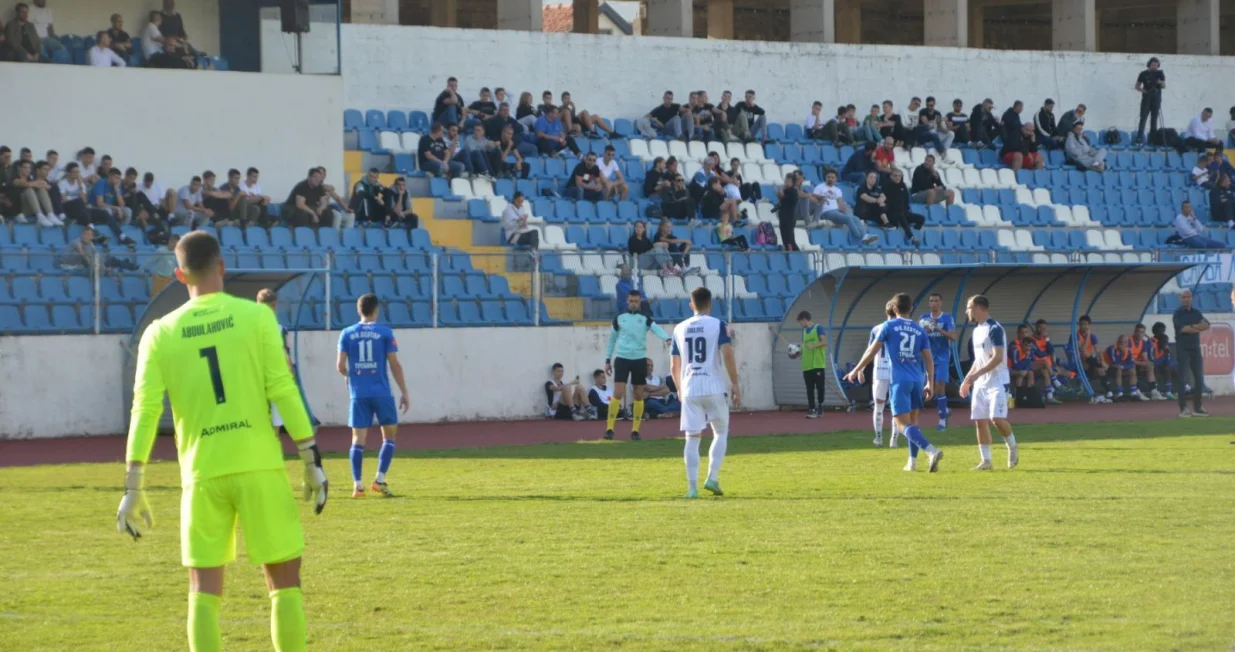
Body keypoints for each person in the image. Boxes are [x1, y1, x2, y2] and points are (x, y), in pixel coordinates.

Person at [118, 231, 327, 652]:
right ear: (223, 266)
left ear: (179, 275)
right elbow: (283, 389)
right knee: (284, 581)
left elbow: (144, 410)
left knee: (204, 587)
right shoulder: (257, 317)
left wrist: (133, 485)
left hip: (201, 472)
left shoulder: (160, 333)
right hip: (259, 466)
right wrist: (310, 458)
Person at [845, 292, 945, 472]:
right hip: (917, 378)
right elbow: (929, 359)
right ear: (912, 308)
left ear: (894, 308)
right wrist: (930, 382)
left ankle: (931, 450)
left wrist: (856, 369)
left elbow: (871, 352)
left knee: (900, 424)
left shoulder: (888, 326)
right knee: (913, 422)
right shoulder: (919, 329)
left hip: (900, 380)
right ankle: (912, 463)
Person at [336, 293, 410, 498]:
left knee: (357, 440)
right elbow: (395, 365)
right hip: (382, 392)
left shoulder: (346, 333)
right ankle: (379, 479)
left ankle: (357, 485)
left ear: (359, 310)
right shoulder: (385, 332)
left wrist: (349, 376)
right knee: (389, 437)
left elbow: (340, 366)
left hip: (359, 394)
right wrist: (404, 391)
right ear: (376, 310)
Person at [671, 286, 740, 498]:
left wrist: (679, 389)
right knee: (720, 432)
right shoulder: (718, 325)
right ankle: (712, 477)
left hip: (690, 387)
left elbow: (674, 366)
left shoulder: (679, 328)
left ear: (691, 304)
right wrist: (735, 383)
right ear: (710, 304)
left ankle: (691, 489)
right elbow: (727, 354)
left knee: (692, 439)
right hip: (713, 386)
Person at [958, 294, 1019, 470]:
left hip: (998, 381)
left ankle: (1013, 446)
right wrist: (967, 380)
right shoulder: (977, 330)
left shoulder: (995, 329)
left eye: (969, 307)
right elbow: (979, 360)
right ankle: (986, 461)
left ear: (979, 308)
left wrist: (977, 375)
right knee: (979, 420)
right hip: (981, 382)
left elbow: (998, 357)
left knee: (997, 419)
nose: (967, 311)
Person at [604, 290, 672, 441]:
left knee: (639, 395)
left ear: (639, 302)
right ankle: (609, 428)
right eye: (631, 301)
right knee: (618, 393)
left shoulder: (645, 318)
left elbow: (656, 329)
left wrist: (666, 338)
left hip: (639, 359)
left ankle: (635, 430)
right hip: (622, 358)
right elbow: (612, 340)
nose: (633, 304)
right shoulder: (619, 318)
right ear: (627, 301)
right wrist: (607, 360)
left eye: (636, 301)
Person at [919, 293, 957, 430]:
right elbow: (919, 336)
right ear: (929, 304)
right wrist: (926, 331)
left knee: (940, 386)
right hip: (927, 357)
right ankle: (945, 410)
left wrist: (938, 329)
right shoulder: (923, 318)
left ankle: (941, 420)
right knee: (930, 391)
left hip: (942, 357)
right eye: (931, 301)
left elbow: (953, 336)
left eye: (936, 301)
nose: (934, 303)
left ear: (941, 303)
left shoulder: (947, 318)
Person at [1172, 289, 1209, 418]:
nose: (1186, 299)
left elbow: (1207, 325)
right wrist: (1197, 327)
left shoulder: (1196, 312)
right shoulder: (1178, 314)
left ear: (1192, 298)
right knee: (1182, 378)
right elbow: (1183, 329)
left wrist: (1192, 327)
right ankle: (1183, 408)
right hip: (1183, 348)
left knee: (1199, 377)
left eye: (1188, 297)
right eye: (1184, 297)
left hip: (1195, 348)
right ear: (1180, 299)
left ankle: (1198, 407)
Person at [869, 304, 899, 447]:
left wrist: (860, 370)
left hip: (880, 370)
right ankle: (894, 439)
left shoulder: (876, 328)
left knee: (878, 406)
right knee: (895, 406)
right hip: (896, 370)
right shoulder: (901, 327)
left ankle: (879, 437)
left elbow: (870, 351)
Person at [792, 311, 829, 420]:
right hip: (807, 365)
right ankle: (812, 408)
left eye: (800, 322)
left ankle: (820, 405)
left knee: (820, 387)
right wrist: (798, 352)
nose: (801, 324)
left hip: (818, 364)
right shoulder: (804, 332)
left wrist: (814, 345)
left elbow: (824, 342)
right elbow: (804, 346)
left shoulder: (818, 328)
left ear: (804, 320)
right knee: (809, 389)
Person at [1069, 314, 1110, 404]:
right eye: (1082, 324)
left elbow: (1097, 350)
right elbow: (1082, 349)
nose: (1084, 326)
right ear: (1079, 325)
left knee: (1101, 369)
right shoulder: (1075, 335)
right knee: (1085, 353)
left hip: (1089, 360)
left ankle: (1108, 391)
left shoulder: (1093, 336)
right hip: (1076, 360)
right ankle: (1097, 365)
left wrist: (1102, 361)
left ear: (1089, 325)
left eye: (1086, 324)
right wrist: (1087, 336)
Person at [883, 168, 925, 245]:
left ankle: (914, 231)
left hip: (903, 212)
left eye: (899, 176)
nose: (898, 177)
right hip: (892, 213)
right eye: (895, 176)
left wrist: (906, 209)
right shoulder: (887, 186)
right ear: (891, 176)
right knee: (900, 213)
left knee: (921, 218)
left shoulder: (903, 185)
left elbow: (906, 200)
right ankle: (911, 237)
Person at [1102, 334, 1145, 402]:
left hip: (1118, 367)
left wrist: (1122, 366)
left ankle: (1133, 392)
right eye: (1121, 342)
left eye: (1125, 342)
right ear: (1117, 342)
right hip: (1107, 366)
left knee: (1132, 369)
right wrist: (1121, 353)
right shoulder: (1112, 349)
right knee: (1119, 368)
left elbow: (1130, 364)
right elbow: (1115, 362)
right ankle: (1120, 393)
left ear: (1128, 343)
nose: (1123, 344)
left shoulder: (1128, 350)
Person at [1129, 323, 1166, 401]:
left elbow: (1144, 357)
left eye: (1142, 332)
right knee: (1131, 366)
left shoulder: (1143, 343)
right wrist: (1141, 363)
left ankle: (1153, 391)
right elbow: (1128, 358)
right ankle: (1136, 391)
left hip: (1136, 362)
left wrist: (1146, 363)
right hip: (1126, 362)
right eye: (1138, 332)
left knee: (1149, 365)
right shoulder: (1129, 341)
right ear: (1134, 332)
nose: (1140, 334)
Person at [1030, 319, 1063, 405]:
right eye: (1040, 328)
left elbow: (1051, 351)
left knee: (1048, 371)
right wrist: (1046, 353)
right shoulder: (1031, 340)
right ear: (1036, 328)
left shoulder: (1045, 339)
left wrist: (1047, 339)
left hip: (1046, 367)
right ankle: (1055, 383)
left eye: (1044, 328)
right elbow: (1039, 354)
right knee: (1044, 362)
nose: (1042, 330)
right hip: (1035, 365)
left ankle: (1049, 396)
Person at [1133, 57, 1165, 146]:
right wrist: (1142, 90)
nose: (1154, 67)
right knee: (1143, 117)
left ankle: (1152, 140)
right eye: (1153, 65)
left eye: (1156, 65)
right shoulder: (1143, 74)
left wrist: (1160, 83)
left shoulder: (1160, 73)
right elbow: (1137, 86)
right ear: (1149, 64)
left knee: (1154, 119)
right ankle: (1139, 138)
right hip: (1146, 98)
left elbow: (1164, 85)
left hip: (1156, 98)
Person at [1150, 322, 1177, 401]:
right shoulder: (1151, 341)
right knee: (1155, 369)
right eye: (1160, 331)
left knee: (1168, 368)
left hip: (1166, 362)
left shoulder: (1164, 339)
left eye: (1163, 331)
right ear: (1155, 331)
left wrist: (1165, 348)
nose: (1162, 333)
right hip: (1156, 362)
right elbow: (1152, 356)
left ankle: (1169, 392)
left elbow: (1166, 352)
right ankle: (1157, 391)